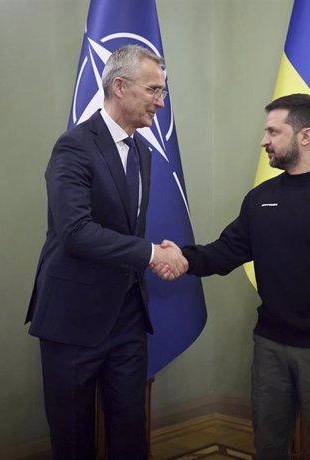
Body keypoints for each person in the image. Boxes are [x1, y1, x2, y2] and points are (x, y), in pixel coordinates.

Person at [158, 94, 310, 460]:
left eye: (272, 131)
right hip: (270, 345)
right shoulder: (260, 198)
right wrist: (183, 259)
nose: (264, 140)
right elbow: (226, 251)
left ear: (305, 136)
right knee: (268, 442)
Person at [25, 45, 187, 460]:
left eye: (162, 92)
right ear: (119, 86)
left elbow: (123, 229)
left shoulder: (144, 152)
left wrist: (155, 254)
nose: (161, 101)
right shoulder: (74, 146)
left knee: (131, 432)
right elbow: (76, 232)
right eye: (153, 90)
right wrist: (152, 254)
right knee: (75, 438)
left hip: (128, 316)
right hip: (73, 318)